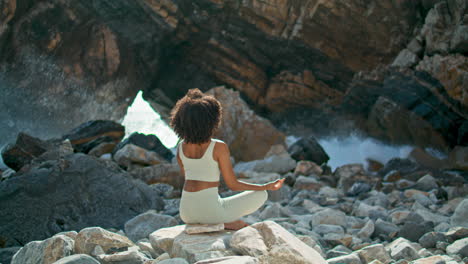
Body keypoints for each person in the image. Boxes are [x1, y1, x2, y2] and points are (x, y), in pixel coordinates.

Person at [170, 88, 285, 230]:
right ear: (211, 121)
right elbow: (233, 184)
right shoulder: (218, 147)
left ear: (181, 121)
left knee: (219, 203)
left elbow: (189, 179)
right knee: (261, 195)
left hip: (186, 212)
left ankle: (214, 221)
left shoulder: (180, 148)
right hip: (211, 212)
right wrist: (264, 186)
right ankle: (221, 224)